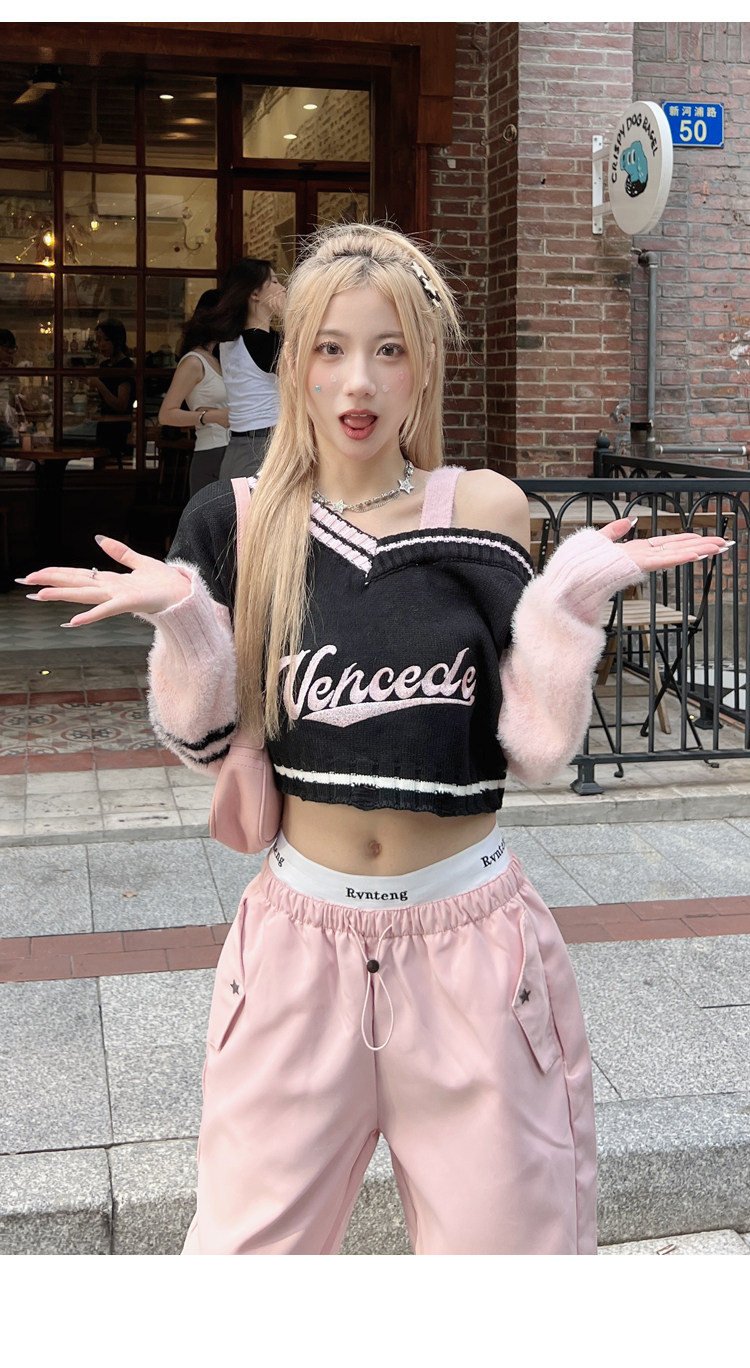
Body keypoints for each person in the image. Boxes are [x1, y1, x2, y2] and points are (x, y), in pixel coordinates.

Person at [18, 223, 732, 1255]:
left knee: (508, 1274)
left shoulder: (482, 507)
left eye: (389, 349)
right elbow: (206, 739)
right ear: (295, 363)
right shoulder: (236, 519)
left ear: (423, 367)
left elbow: (537, 750)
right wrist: (186, 622)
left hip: (473, 946)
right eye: (331, 348)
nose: (359, 381)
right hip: (297, 947)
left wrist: (570, 608)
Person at [198, 257, 286, 480]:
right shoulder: (264, 342)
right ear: (255, 294)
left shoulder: (227, 344)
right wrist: (289, 316)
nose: (283, 288)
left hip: (237, 446)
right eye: (274, 282)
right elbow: (307, 368)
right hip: (264, 446)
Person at [157, 290, 229, 497]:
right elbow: (166, 414)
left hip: (233, 451)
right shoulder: (194, 362)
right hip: (212, 452)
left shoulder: (223, 358)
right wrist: (211, 416)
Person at [89, 318, 135, 471]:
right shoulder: (104, 365)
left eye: (106, 340)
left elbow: (121, 405)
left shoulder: (126, 367)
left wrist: (99, 384)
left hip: (118, 430)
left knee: (113, 471)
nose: (101, 344)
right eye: (98, 340)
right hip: (103, 425)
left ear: (117, 340)